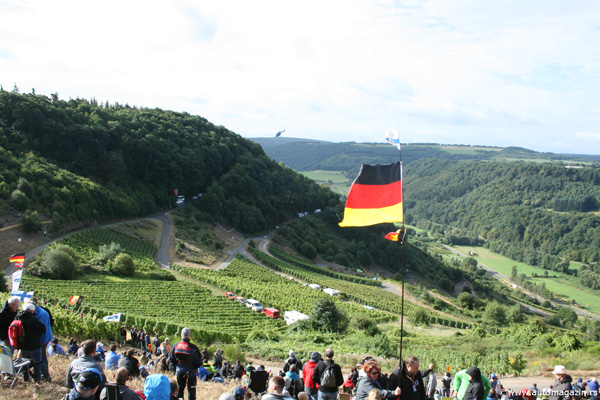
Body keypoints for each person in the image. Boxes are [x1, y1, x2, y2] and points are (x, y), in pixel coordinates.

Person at [169, 327, 203, 400]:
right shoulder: (194, 348)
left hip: (179, 370)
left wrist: (176, 366)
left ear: (181, 335)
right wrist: (193, 366)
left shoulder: (175, 346)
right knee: (191, 390)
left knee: (180, 389)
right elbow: (199, 361)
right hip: (191, 372)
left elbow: (171, 359)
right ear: (189, 336)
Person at [16, 302, 46, 382]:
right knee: (37, 363)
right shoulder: (33, 320)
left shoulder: (18, 318)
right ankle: (37, 379)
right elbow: (43, 329)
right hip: (34, 346)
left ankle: (25, 377)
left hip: (23, 346)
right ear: (31, 311)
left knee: (24, 363)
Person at [29, 297, 53, 381]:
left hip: (43, 338)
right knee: (41, 357)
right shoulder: (38, 311)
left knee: (42, 357)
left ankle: (46, 376)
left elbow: (41, 329)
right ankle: (44, 374)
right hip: (44, 337)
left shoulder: (41, 314)